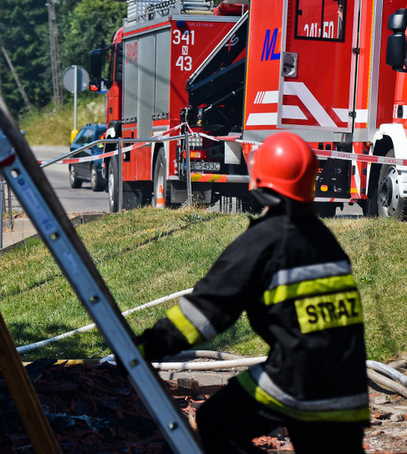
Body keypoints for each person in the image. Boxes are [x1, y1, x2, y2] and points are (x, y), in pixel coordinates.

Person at [134, 132, 369, 453]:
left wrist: (146, 348)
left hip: (296, 380)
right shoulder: (323, 238)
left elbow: (206, 313)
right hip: (348, 385)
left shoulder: (264, 241)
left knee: (217, 421)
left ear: (260, 179)